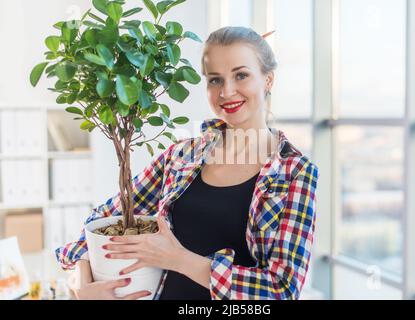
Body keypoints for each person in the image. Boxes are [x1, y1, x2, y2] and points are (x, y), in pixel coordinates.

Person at [56, 26, 319, 300]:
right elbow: (101, 221)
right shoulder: (182, 156)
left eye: (241, 75)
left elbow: (281, 289)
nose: (227, 92)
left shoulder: (295, 173)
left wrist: (178, 258)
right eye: (215, 80)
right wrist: (80, 275)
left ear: (268, 80)